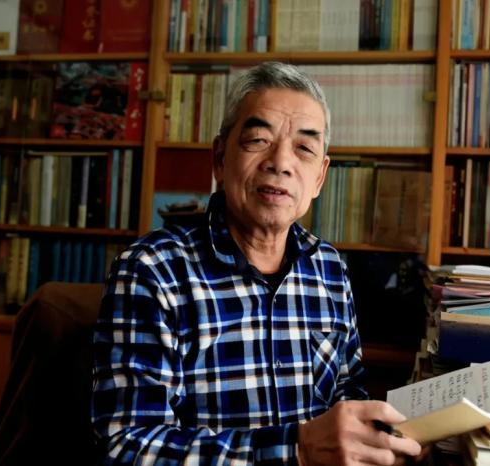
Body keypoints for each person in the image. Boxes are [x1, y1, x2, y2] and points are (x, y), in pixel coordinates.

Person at [92, 62, 425, 465]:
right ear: (220, 158)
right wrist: (296, 450)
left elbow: (346, 395)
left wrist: (377, 440)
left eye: (304, 148)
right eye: (258, 140)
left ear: (320, 177)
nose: (280, 162)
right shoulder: (152, 270)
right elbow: (127, 447)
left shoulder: (329, 268)